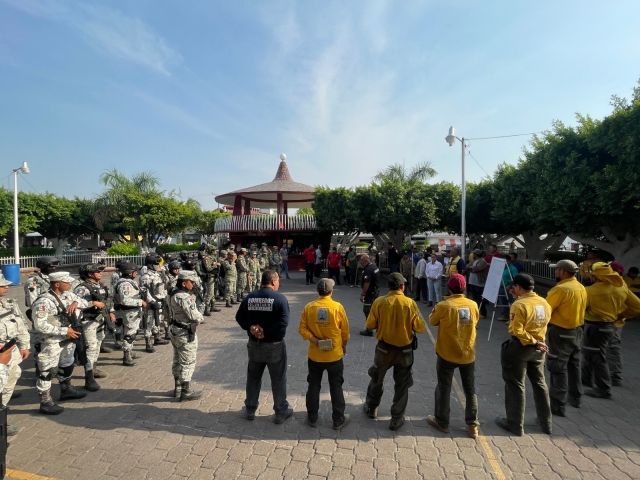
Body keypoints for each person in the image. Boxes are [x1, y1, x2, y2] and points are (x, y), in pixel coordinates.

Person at [362, 272, 426, 431]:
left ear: (389, 286)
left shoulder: (379, 302)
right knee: (402, 385)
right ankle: (396, 418)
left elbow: (370, 325)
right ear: (402, 286)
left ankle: (372, 408)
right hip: (404, 351)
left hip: (384, 349)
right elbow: (420, 327)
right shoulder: (410, 303)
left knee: (377, 378)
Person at [495, 274, 552, 436]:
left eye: (514, 287)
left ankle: (515, 423)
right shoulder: (544, 302)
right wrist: (538, 342)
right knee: (540, 384)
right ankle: (546, 422)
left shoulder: (519, 305)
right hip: (540, 349)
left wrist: (532, 341)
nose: (512, 290)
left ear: (518, 287)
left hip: (521, 347)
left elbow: (517, 330)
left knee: (516, 385)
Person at [236, 271, 292, 423]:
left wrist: (251, 327)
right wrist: (266, 332)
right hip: (274, 346)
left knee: (253, 378)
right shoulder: (280, 298)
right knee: (278, 379)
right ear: (274, 281)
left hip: (255, 345)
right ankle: (280, 412)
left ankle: (250, 409)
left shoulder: (250, 297)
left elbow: (239, 317)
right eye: (278, 280)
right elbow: (284, 321)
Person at [427, 274, 480, 439]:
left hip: (447, 353)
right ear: (464, 288)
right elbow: (476, 321)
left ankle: (442, 422)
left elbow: (432, 321)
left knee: (444, 387)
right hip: (467, 353)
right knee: (470, 389)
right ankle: (472, 424)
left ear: (449, 288)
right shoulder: (473, 305)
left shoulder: (444, 305)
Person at [32, 271, 90, 415]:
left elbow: (85, 302)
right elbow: (39, 325)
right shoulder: (44, 301)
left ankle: (66, 390)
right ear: (57, 284)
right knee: (47, 371)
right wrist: (64, 331)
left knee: (67, 364)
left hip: (68, 339)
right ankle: (45, 402)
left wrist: (76, 302)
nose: (70, 284)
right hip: (52, 341)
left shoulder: (68, 295)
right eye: (67, 282)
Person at [581, 262, 640, 398]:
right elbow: (637, 306)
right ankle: (586, 380)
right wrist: (621, 315)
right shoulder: (621, 287)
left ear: (596, 276)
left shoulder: (590, 291)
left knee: (598, 357)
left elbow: (580, 309)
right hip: (611, 326)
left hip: (595, 327)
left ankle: (603, 389)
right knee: (591, 353)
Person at [298, 278, 350, 430]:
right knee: (336, 386)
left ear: (317, 291)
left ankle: (312, 417)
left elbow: (302, 329)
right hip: (334, 355)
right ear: (331, 292)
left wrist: (316, 341)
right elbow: (345, 332)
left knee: (313, 385)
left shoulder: (309, 307)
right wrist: (344, 346)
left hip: (315, 355)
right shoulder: (337, 307)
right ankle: (338, 419)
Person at [544, 260, 587, 416]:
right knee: (574, 365)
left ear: (563, 272)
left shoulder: (560, 289)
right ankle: (576, 398)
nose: (555, 272)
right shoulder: (580, 287)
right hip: (577, 331)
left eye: (557, 270)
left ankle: (558, 405)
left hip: (561, 332)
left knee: (558, 367)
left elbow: (546, 311)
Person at [74, 263, 115, 392]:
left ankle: (93, 368)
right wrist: (91, 303)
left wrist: (111, 312)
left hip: (101, 320)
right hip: (88, 322)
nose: (101, 273)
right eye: (98, 271)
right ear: (89, 274)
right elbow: (75, 303)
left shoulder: (101, 285)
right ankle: (88, 377)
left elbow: (108, 300)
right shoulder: (82, 288)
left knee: (97, 346)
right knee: (90, 348)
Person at [0, 273, 31, 435]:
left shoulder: (8, 303)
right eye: (2, 285)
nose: (7, 287)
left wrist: (24, 345)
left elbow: (20, 325)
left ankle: (1, 417)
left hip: (10, 352)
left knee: (13, 376)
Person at [168, 270, 204, 401]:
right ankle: (186, 390)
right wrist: (200, 317)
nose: (193, 284)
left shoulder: (172, 292)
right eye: (191, 282)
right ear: (184, 283)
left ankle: (178, 387)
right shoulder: (184, 297)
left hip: (174, 329)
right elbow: (195, 316)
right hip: (184, 332)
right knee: (188, 361)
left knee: (177, 359)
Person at [114, 262, 146, 367]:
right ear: (129, 273)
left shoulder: (129, 282)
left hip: (134, 311)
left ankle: (130, 351)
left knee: (133, 332)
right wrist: (141, 302)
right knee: (129, 334)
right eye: (134, 271)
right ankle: (127, 356)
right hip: (129, 312)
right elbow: (125, 300)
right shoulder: (125, 285)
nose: (136, 273)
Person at [139, 254, 171, 353]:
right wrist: (152, 301)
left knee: (157, 321)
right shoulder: (146, 276)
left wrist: (165, 298)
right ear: (150, 265)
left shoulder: (156, 274)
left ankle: (157, 338)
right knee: (149, 323)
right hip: (150, 303)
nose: (158, 266)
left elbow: (161, 288)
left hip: (159, 301)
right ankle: (148, 343)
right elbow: (144, 291)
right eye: (155, 264)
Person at [358, 254, 380, 336]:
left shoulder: (368, 269)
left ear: (366, 261)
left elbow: (367, 282)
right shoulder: (374, 267)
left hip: (370, 293)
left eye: (362, 261)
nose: (361, 263)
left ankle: (369, 329)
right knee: (374, 309)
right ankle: (378, 326)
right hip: (375, 291)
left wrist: (363, 294)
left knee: (367, 310)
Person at [202, 245, 222, 316]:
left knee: (212, 293)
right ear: (211, 251)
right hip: (210, 277)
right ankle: (205, 309)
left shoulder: (213, 258)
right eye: (214, 250)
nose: (216, 252)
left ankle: (213, 306)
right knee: (210, 293)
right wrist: (215, 264)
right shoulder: (207, 259)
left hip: (214, 276)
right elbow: (208, 269)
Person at [467, 250, 487, 317]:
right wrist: (471, 267)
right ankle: (476, 311)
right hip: (472, 282)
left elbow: (476, 269)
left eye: (473, 254)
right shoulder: (473, 261)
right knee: (474, 298)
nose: (472, 255)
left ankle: (483, 312)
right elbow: (467, 266)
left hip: (479, 282)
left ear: (476, 254)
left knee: (480, 298)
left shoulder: (482, 261)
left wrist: (471, 268)